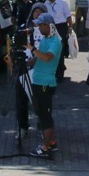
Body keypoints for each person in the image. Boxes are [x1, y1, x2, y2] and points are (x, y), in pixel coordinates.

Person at [26, 12, 62, 158]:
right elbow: (39, 57)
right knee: (42, 114)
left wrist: (31, 48)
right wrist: (27, 62)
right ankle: (51, 142)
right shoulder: (45, 40)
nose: (39, 28)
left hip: (45, 84)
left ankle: (46, 147)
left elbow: (47, 57)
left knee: (44, 116)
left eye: (41, 25)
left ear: (49, 26)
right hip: (38, 81)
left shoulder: (55, 42)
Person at [44, 0, 72, 82]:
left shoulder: (62, 2)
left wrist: (70, 27)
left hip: (61, 27)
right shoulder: (46, 4)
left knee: (59, 50)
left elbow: (68, 16)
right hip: (50, 27)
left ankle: (59, 74)